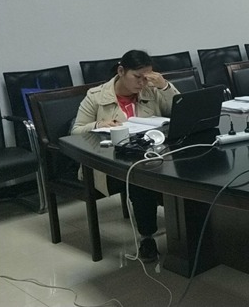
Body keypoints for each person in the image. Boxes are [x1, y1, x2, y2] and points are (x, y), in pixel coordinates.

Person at [71, 50, 179, 262]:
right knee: (141, 179)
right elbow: (76, 131)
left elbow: (178, 109)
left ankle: (186, 227)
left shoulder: (151, 90)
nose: (142, 83)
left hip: (152, 155)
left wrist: (164, 87)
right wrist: (99, 125)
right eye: (137, 77)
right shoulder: (96, 96)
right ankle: (147, 238)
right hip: (109, 164)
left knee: (181, 168)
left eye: (147, 77)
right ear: (121, 71)